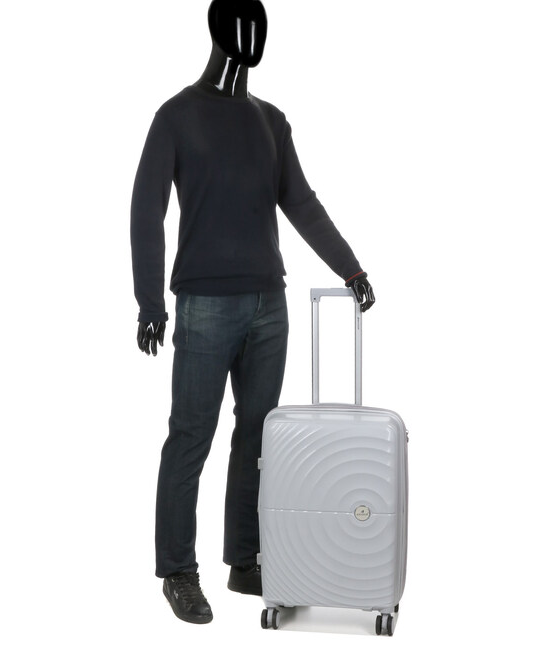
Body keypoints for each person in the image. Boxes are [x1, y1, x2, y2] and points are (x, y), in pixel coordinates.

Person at [130, 0, 375, 625]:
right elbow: (146, 209)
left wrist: (350, 269)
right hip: (205, 307)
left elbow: (302, 202)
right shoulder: (176, 116)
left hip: (270, 306)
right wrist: (149, 300)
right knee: (191, 437)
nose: (251, 37)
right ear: (217, 31)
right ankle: (177, 571)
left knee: (259, 437)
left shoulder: (271, 120)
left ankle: (244, 560)